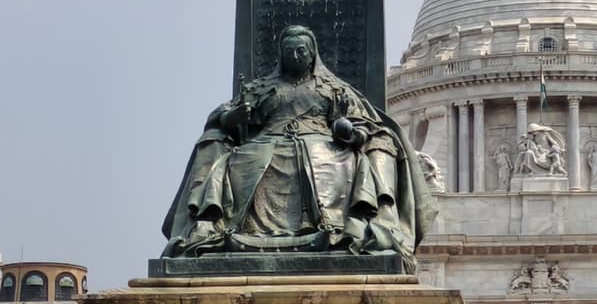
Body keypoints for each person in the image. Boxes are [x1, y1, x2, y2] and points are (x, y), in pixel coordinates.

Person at [162, 25, 430, 264]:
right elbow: (219, 117)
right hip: (266, 143)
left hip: (321, 143)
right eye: (289, 51)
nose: (295, 56)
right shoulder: (261, 87)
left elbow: (363, 123)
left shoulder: (334, 89)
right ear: (282, 55)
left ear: (312, 54)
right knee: (227, 152)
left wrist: (352, 134)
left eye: (301, 51)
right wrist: (232, 117)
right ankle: (208, 226)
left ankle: (357, 226)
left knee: (345, 160)